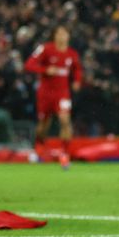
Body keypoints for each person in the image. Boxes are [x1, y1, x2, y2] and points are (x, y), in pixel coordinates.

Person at [24, 25, 83, 169]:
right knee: (44, 124)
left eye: (65, 33)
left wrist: (77, 81)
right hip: (45, 93)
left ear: (68, 36)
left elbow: (77, 69)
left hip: (63, 94)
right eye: (60, 33)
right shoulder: (45, 49)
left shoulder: (72, 53)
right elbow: (29, 65)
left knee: (65, 120)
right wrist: (45, 69)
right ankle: (39, 146)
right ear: (54, 36)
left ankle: (64, 154)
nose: (63, 36)